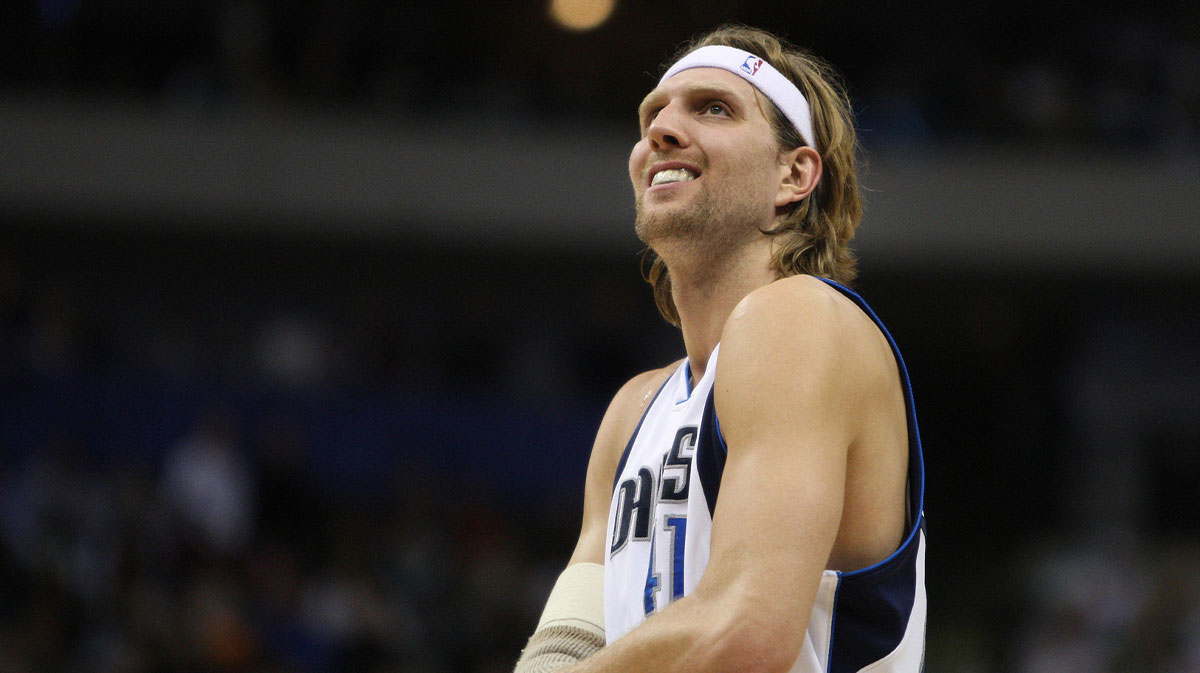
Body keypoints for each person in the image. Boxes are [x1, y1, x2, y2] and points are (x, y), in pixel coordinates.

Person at [515, 24, 926, 673]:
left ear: (794, 173)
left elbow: (746, 630)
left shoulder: (802, 317)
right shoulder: (634, 408)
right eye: (653, 112)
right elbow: (560, 652)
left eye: (713, 108)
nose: (662, 130)